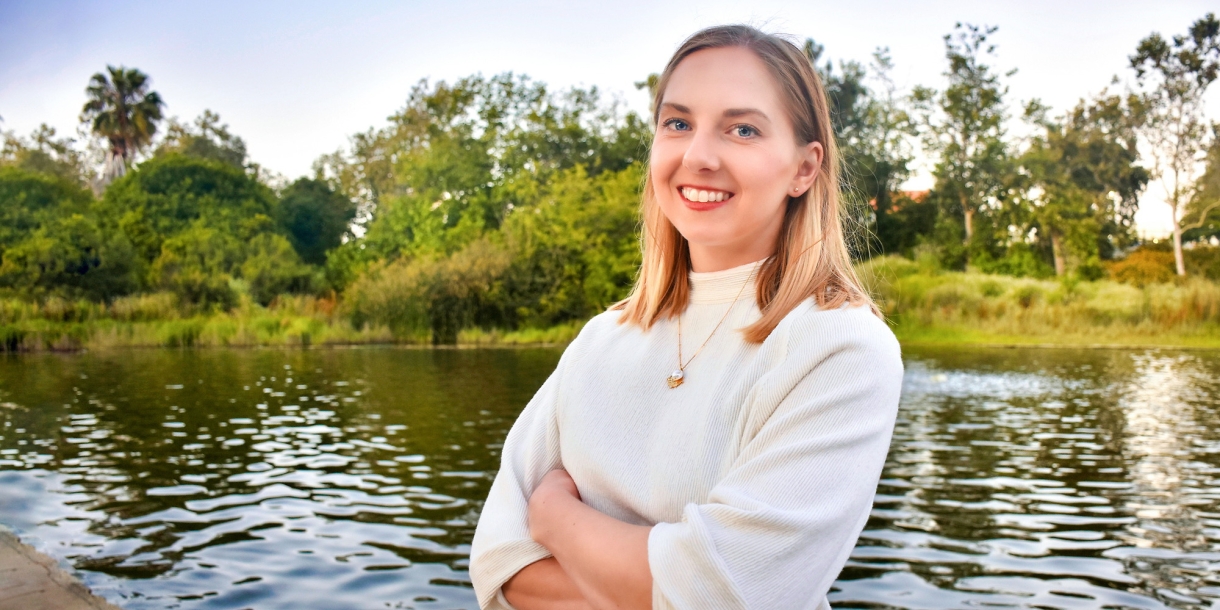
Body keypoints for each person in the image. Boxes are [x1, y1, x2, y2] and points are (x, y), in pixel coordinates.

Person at [469, 24, 903, 610]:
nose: (698, 156)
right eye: (677, 123)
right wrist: (663, 581)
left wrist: (555, 521)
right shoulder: (602, 339)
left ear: (805, 168)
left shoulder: (840, 346)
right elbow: (498, 566)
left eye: (742, 129)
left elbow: (729, 592)